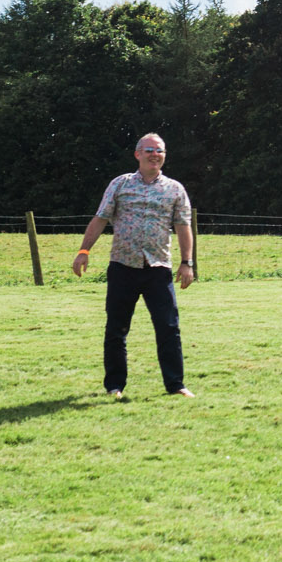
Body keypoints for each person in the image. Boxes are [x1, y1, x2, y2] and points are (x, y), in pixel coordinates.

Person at [71, 133, 195, 401]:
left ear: (164, 156)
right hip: (123, 266)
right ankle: (115, 386)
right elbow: (101, 218)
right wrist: (83, 251)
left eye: (160, 150)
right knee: (116, 328)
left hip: (158, 268)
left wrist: (187, 263)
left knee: (168, 327)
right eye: (149, 149)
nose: (155, 154)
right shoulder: (120, 184)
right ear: (137, 154)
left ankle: (176, 385)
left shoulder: (175, 189)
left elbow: (183, 227)